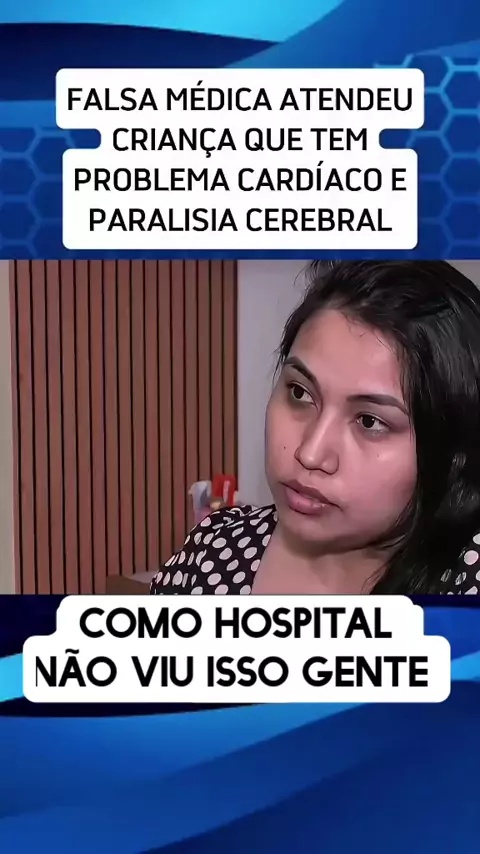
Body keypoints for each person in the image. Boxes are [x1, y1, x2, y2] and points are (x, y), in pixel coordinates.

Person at [151, 260, 480, 596]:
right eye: (300, 393)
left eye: (369, 421)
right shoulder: (213, 551)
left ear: (454, 453)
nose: (310, 453)